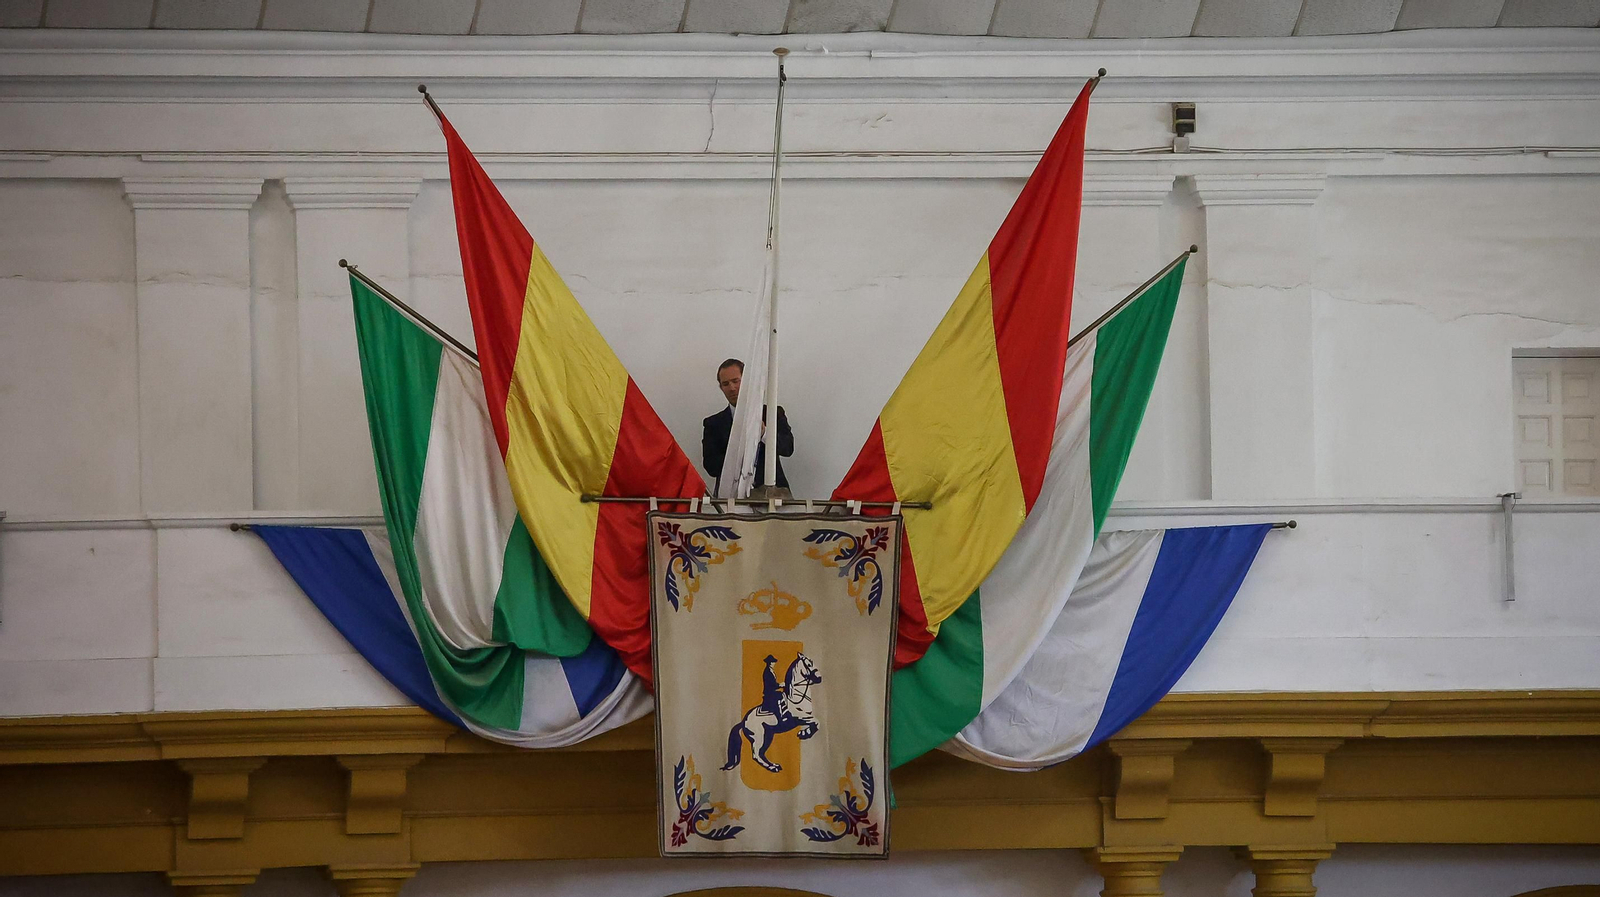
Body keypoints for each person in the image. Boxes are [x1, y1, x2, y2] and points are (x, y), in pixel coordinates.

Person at [702, 358, 793, 495]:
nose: (732, 388)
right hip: (732, 499)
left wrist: (764, 434)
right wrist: (737, 447)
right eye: (726, 384)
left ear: (747, 380)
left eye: (736, 381)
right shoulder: (713, 424)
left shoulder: (772, 414)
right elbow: (711, 467)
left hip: (772, 497)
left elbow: (788, 448)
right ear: (721, 388)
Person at [759, 654, 785, 718]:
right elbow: (771, 684)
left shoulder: (771, 671)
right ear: (770, 663)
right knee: (781, 696)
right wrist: (780, 685)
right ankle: (779, 715)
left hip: (771, 690)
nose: (774, 664)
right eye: (773, 662)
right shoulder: (767, 672)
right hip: (769, 692)